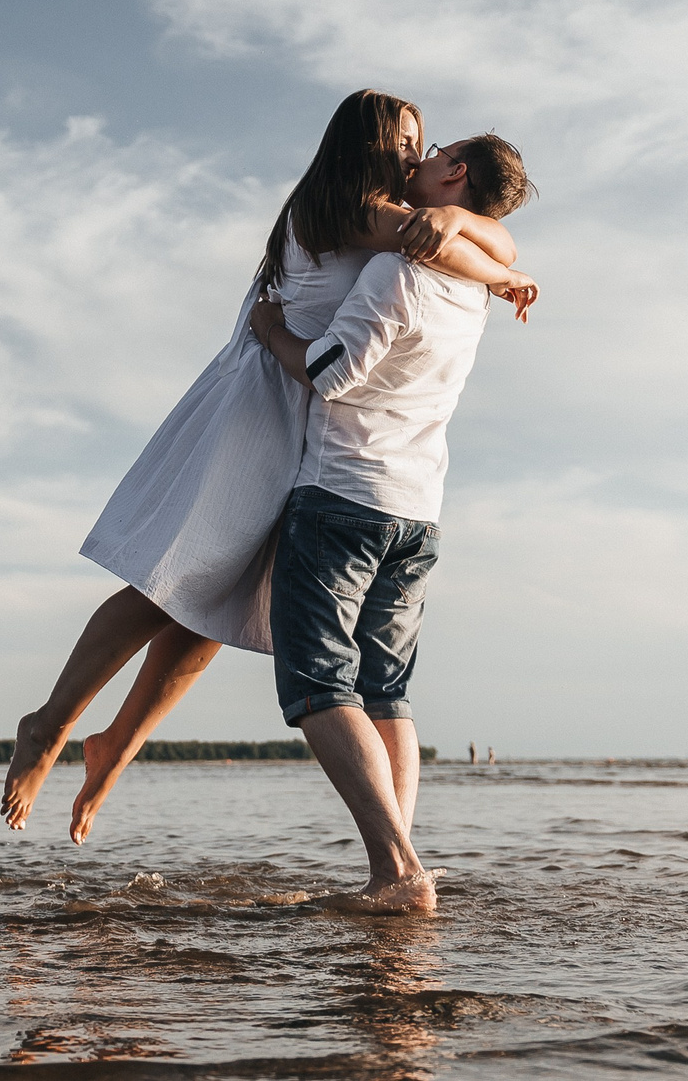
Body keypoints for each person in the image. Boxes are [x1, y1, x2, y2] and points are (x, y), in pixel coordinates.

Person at [1, 91, 537, 841]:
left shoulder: (393, 211)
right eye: (405, 140)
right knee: (170, 584)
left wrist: (469, 228)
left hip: (313, 419)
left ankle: (113, 744)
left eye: (424, 143)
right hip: (265, 409)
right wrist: (482, 253)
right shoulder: (344, 204)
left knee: (212, 610)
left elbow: (492, 245)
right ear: (366, 141)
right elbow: (461, 247)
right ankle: (49, 724)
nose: (417, 154)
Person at [247, 132, 534, 914]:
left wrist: (274, 330)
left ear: (456, 174)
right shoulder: (473, 286)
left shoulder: (397, 269)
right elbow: (491, 246)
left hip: (346, 495)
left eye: (435, 151)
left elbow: (334, 377)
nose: (421, 156)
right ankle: (396, 862)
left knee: (316, 684)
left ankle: (399, 871)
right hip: (420, 513)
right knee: (387, 691)